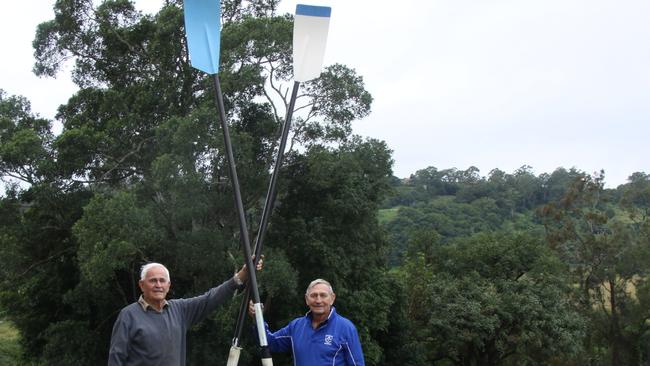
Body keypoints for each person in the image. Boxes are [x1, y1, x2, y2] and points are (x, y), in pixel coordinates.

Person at [108, 259, 262, 366]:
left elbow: (211, 298)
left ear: (169, 285)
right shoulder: (128, 315)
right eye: (153, 280)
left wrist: (243, 274)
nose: (158, 285)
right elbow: (116, 358)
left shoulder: (180, 310)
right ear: (142, 285)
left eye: (162, 281)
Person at [249, 278, 365, 366]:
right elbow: (269, 343)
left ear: (332, 298)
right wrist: (257, 317)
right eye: (314, 295)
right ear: (306, 299)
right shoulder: (296, 326)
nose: (318, 300)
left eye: (323, 295)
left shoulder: (346, 328)